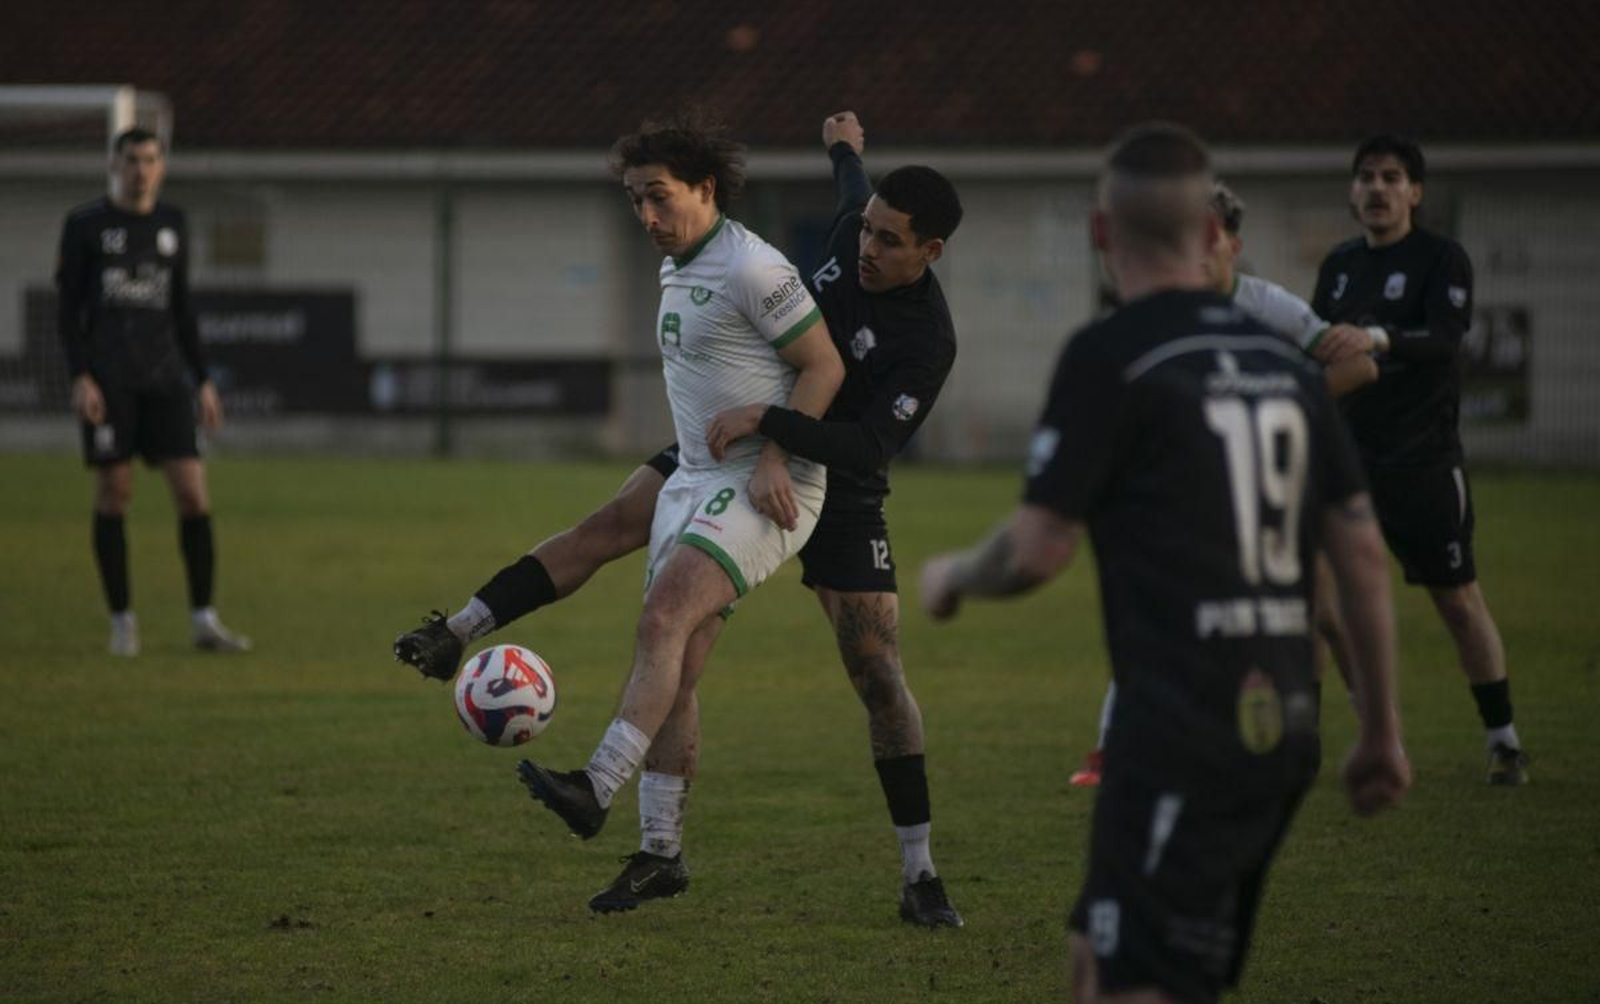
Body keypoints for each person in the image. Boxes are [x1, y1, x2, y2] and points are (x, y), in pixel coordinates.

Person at [395, 112, 968, 926]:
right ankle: (646, 835)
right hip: (734, 443)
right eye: (867, 230)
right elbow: (849, 188)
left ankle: (921, 873)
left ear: (930, 252)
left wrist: (775, 435)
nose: (867, 249)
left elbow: (871, 440)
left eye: (888, 241)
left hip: (830, 474)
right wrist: (845, 149)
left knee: (876, 675)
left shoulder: (926, 340)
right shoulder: (846, 226)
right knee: (620, 544)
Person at [919, 123, 1410, 1004]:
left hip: (1181, 728)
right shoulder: (1287, 363)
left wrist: (954, 577)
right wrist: (1379, 727)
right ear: (1210, 233)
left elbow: (1036, 550)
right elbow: (1362, 554)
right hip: (1285, 724)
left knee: (1132, 983)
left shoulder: (1113, 355)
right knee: (1102, 958)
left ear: (1103, 235)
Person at [505, 111, 845, 913]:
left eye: (658, 198)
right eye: (633, 202)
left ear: (706, 188)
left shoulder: (753, 268)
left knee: (663, 618)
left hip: (773, 485)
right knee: (678, 668)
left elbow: (823, 364)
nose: (646, 218)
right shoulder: (680, 263)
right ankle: (661, 854)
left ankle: (596, 784)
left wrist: (771, 455)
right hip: (699, 481)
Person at [1068, 180, 1378, 788]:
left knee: (1320, 616)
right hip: (1194, 487)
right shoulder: (1159, 309)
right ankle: (1116, 748)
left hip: (1276, 477)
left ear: (1232, 243)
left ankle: (1371, 729)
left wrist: (1279, 397)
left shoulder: (1270, 306)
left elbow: (1359, 365)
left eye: (1205, 236)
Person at [1310, 134, 1528, 785]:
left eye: (1392, 177)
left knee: (1457, 603)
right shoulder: (1341, 265)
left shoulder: (1441, 259)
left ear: (1415, 192)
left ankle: (1504, 740)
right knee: (1316, 605)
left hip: (1423, 461)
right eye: (1367, 177)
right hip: (1347, 460)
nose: (1378, 188)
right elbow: (1314, 341)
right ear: (1352, 191)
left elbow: (1445, 342)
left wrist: (1377, 337)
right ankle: (1308, 744)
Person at [55, 127, 250, 657]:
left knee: (192, 493)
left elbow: (181, 309)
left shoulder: (173, 224)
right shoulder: (85, 226)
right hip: (109, 382)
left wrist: (203, 379)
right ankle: (122, 621)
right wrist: (80, 376)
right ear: (114, 165)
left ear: (162, 166)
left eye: (149, 160)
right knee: (114, 495)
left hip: (165, 380)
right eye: (130, 160)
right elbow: (68, 311)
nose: (140, 169)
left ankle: (204, 620)